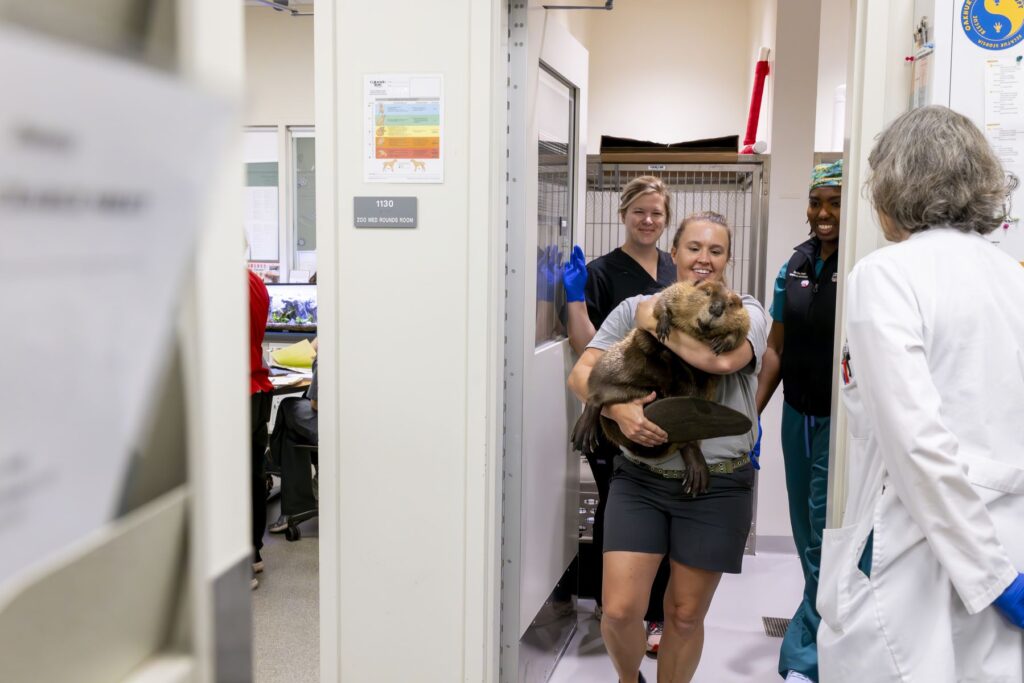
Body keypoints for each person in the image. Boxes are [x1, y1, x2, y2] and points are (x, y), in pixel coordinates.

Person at [817, 105, 1024, 681]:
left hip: (921, 556)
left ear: (892, 188)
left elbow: (916, 443)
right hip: (1006, 541)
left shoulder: (886, 275)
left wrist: (991, 577)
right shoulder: (1015, 277)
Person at [567, 211, 767, 683]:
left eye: (715, 251)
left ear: (727, 260)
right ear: (673, 253)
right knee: (618, 611)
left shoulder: (747, 310)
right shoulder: (634, 306)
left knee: (682, 615)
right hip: (641, 477)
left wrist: (654, 321)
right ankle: (627, 678)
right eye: (694, 247)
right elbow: (583, 373)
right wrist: (618, 410)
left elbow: (716, 361)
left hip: (717, 485)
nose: (703, 258)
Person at [563, 175, 677, 652]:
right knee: (619, 506)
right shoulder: (603, 271)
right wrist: (574, 294)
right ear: (623, 214)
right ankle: (618, 610)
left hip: (665, 408)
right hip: (612, 413)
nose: (648, 221)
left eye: (657, 213)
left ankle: (653, 614)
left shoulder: (675, 266)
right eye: (639, 212)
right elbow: (583, 344)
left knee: (665, 510)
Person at [754, 159, 843, 683]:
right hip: (796, 414)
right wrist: (753, 414)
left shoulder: (862, 263)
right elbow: (775, 348)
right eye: (816, 202)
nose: (823, 212)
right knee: (804, 524)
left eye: (833, 201)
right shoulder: (796, 265)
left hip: (840, 420)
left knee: (822, 537)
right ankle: (815, 632)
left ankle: (808, 650)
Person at [268, 352, 319, 533]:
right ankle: (292, 509)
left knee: (288, 407)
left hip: (326, 426)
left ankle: (273, 462)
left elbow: (316, 404)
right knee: (291, 433)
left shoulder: (330, 353)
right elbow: (311, 347)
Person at [248, 268, 274, 589]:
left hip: (234, 389)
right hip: (258, 387)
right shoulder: (256, 282)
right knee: (254, 472)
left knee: (230, 478)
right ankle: (253, 551)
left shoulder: (220, 282)